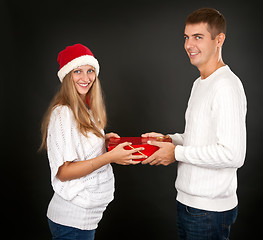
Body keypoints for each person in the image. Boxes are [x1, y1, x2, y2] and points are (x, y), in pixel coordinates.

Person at [142, 8, 247, 239]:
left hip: (209, 211)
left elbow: (233, 154)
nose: (189, 45)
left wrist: (176, 152)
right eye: (186, 37)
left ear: (219, 39)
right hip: (189, 204)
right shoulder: (200, 83)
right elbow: (200, 138)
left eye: (198, 37)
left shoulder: (226, 86)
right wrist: (169, 140)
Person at [40, 43, 145, 240]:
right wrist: (109, 156)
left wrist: (103, 142)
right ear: (67, 76)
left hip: (84, 219)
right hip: (71, 222)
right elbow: (63, 172)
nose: (85, 78)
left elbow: (78, 147)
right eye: (77, 71)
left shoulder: (85, 110)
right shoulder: (63, 113)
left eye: (90, 71)